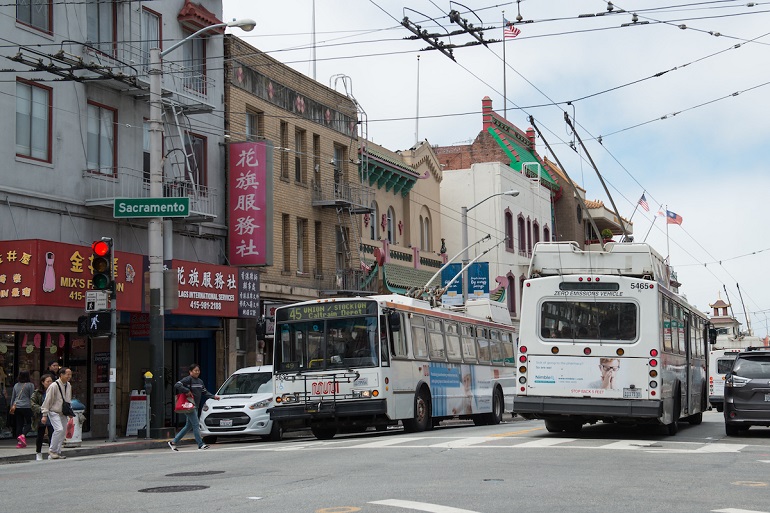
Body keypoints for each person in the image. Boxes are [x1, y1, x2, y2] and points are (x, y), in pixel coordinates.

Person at [168, 364, 220, 451]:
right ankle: (200, 444)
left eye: (198, 371)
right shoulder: (188, 379)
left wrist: (213, 397)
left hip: (195, 405)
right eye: (195, 371)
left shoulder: (200, 381)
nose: (197, 372)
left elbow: (204, 392)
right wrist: (187, 390)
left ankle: (173, 442)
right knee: (196, 424)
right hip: (189, 406)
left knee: (188, 426)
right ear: (190, 372)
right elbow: (177, 385)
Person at [40, 367, 74, 460]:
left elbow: (68, 399)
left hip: (63, 412)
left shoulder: (68, 385)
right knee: (58, 429)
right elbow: (47, 400)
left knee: (63, 432)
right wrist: (44, 415)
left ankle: (57, 452)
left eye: (70, 374)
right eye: (67, 374)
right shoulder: (54, 386)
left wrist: (70, 411)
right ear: (61, 375)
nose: (69, 376)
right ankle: (52, 450)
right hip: (53, 411)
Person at [31, 374, 54, 461]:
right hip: (41, 416)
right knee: (40, 435)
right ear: (42, 382)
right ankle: (38, 452)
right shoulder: (37, 393)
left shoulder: (54, 392)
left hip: (52, 415)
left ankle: (51, 452)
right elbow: (33, 404)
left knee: (52, 434)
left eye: (51, 381)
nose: (49, 383)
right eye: (47, 381)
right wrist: (42, 409)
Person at [10, 370, 35, 448]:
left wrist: (12, 406)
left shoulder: (16, 385)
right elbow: (32, 396)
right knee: (29, 423)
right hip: (27, 406)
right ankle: (23, 435)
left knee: (19, 424)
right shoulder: (30, 385)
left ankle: (19, 442)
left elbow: (13, 397)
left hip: (17, 406)